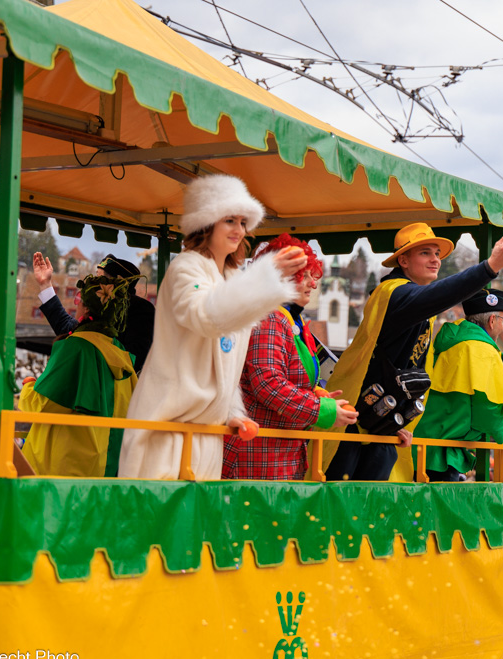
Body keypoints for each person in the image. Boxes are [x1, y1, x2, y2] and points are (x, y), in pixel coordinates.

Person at [119, 174, 307, 480]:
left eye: (243, 221)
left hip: (206, 436)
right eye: (229, 220)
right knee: (158, 526)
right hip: (166, 432)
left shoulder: (232, 279)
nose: (239, 230)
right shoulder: (186, 267)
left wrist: (232, 413)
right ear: (205, 223)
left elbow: (224, 359)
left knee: (194, 527)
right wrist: (264, 276)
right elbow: (206, 317)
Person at [320, 222, 503, 481]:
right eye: (425, 253)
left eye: (437, 254)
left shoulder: (412, 298)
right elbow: (441, 294)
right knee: (348, 502)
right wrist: (489, 267)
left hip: (380, 423)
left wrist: (400, 421)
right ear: (403, 260)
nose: (435, 260)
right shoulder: (396, 294)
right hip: (356, 422)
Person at [222, 234, 358, 480]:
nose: (313, 284)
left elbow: (283, 377)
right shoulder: (270, 317)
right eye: (305, 275)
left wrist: (315, 392)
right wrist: (321, 410)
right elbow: (267, 384)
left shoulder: (289, 319)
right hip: (259, 457)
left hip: (276, 455)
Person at [20, 273, 139, 477]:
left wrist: (28, 387)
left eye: (78, 301)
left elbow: (41, 405)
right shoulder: (122, 354)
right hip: (103, 471)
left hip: (60, 470)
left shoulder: (76, 348)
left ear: (86, 308)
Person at [411, 288, 503, 482]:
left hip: (419, 441)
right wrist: (498, 435)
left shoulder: (445, 340)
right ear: (492, 321)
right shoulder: (484, 350)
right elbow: (489, 408)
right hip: (443, 452)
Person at [33, 252, 156, 373]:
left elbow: (134, 360)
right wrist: (45, 285)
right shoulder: (90, 326)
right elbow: (70, 328)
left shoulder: (141, 310)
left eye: (98, 278)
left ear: (112, 286)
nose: (91, 283)